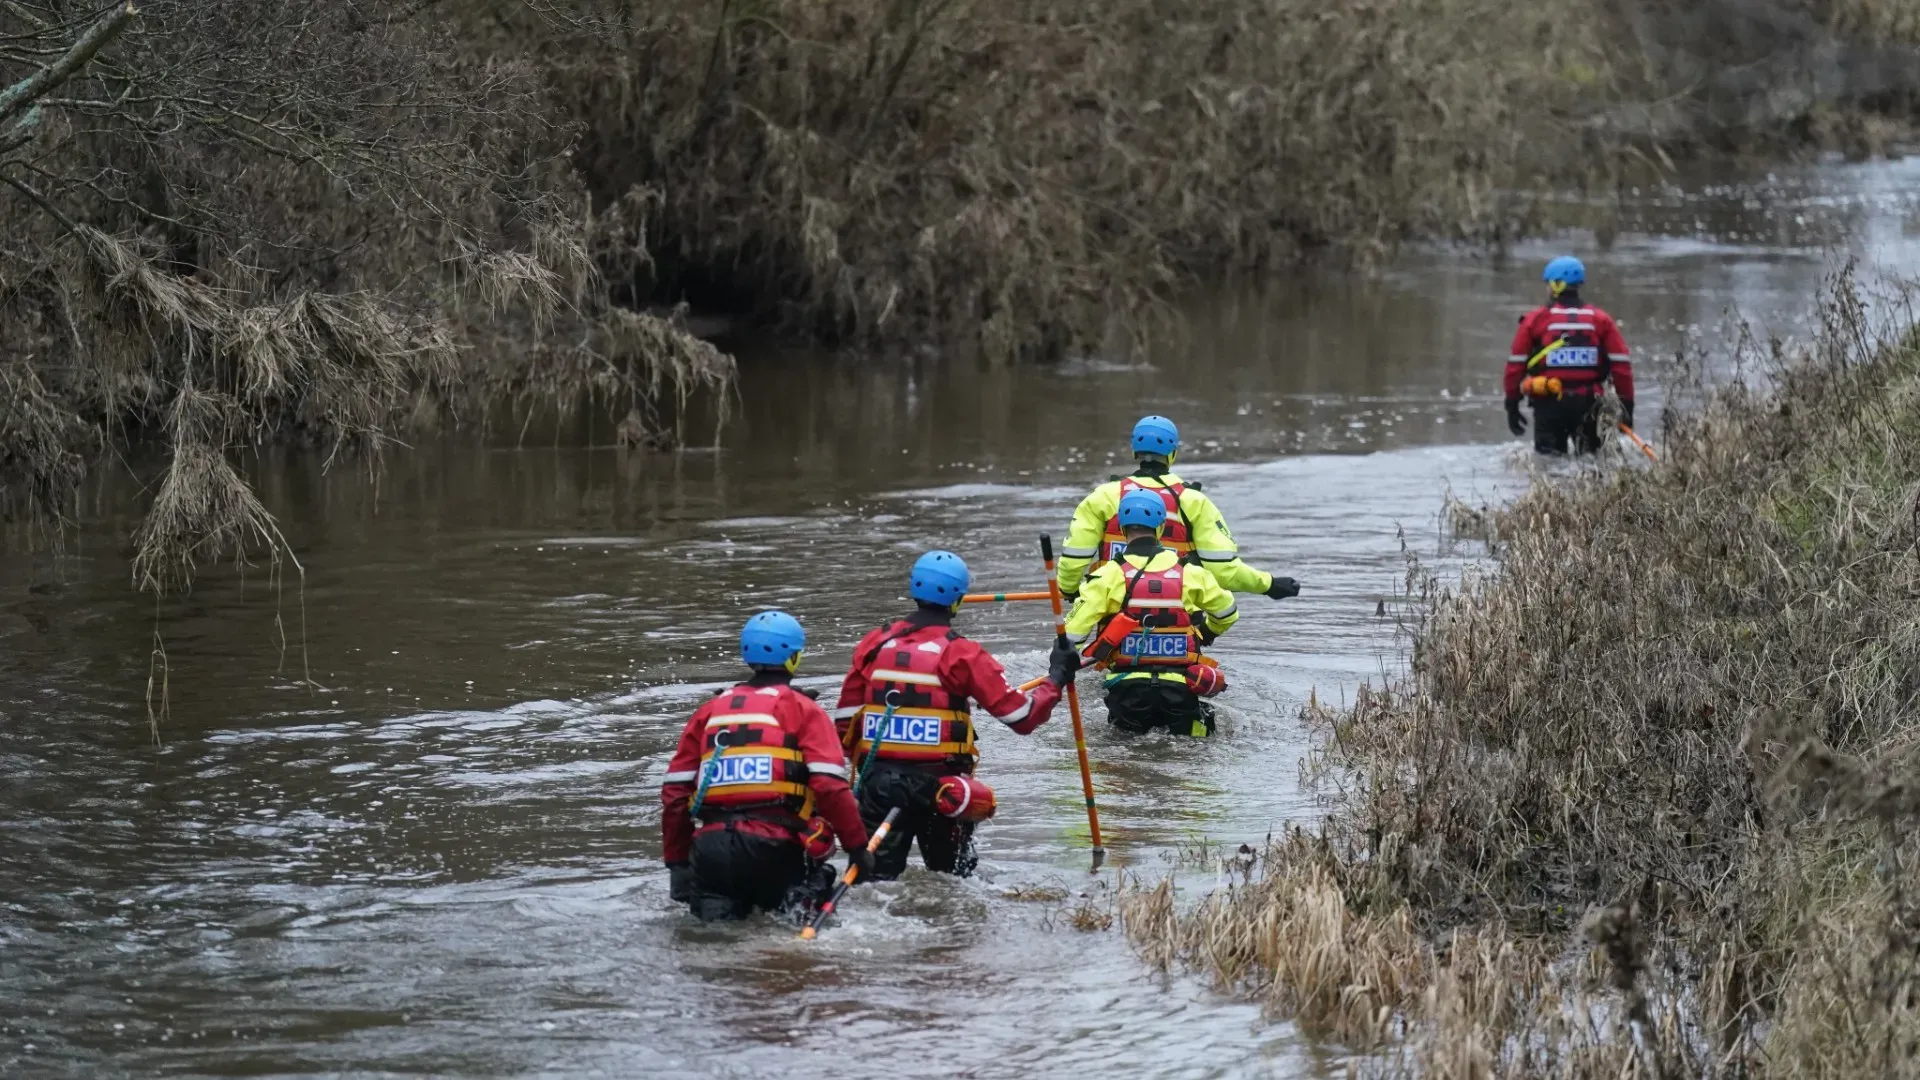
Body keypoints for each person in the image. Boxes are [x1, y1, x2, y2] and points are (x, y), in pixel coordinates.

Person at [832, 550, 1083, 880]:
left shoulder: (874, 644)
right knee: (952, 879)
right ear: (959, 598)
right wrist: (1056, 677)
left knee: (872, 880)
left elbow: (844, 726)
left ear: (914, 589)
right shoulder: (963, 654)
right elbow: (1023, 718)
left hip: (880, 785)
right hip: (943, 789)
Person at [660, 611, 871, 922]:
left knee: (715, 948)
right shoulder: (803, 710)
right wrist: (858, 848)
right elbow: (829, 787)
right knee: (794, 932)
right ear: (794, 657)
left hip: (711, 853)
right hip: (774, 850)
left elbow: (675, 794)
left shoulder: (709, 712)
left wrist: (677, 863)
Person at [1055, 415, 1299, 604]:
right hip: (1176, 609)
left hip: (1112, 606)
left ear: (1134, 451)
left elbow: (1075, 557)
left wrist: (1070, 590)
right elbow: (1224, 572)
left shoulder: (1104, 496)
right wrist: (1269, 585)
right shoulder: (1194, 502)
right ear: (1173, 453)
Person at [1065, 489, 1239, 737]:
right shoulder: (1189, 572)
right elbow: (1228, 613)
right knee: (1190, 751)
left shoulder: (1107, 574)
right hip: (1181, 687)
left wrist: (1061, 663)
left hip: (1126, 690)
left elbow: (1072, 634)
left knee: (1125, 757)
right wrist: (1207, 632)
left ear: (1123, 529)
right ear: (1160, 527)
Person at [1504, 256, 1635, 456]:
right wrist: (1627, 407)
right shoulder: (1600, 320)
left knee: (1550, 466)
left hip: (1548, 405)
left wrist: (1512, 404)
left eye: (1548, 284)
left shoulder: (1535, 320)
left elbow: (1515, 366)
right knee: (1592, 464)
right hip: (1590, 404)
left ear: (1557, 285)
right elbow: (1621, 366)